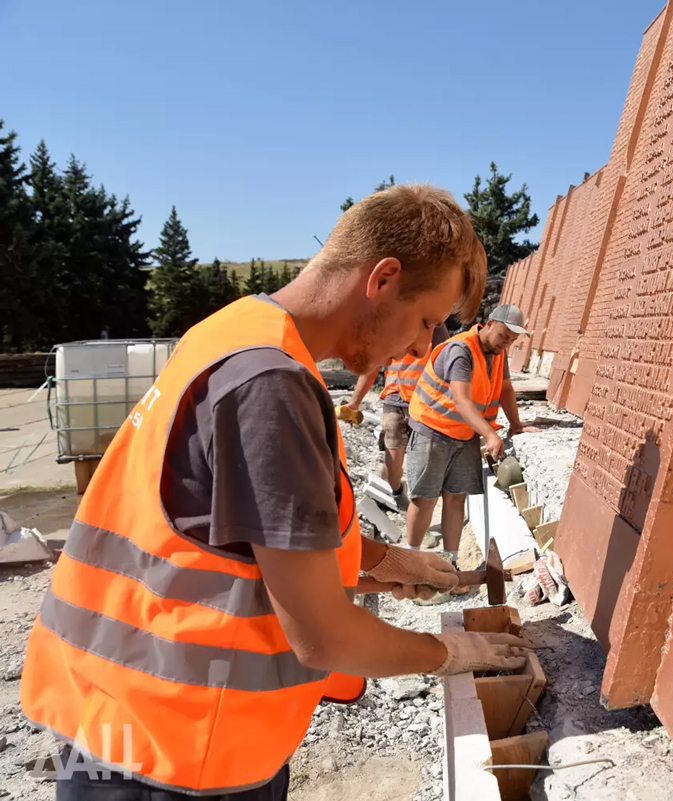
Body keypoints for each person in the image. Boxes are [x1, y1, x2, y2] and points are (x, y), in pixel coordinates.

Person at [19, 184, 533, 800]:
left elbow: (229, 538)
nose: (423, 346)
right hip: (178, 749)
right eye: (424, 320)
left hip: (118, 711)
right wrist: (450, 652)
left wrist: (385, 561)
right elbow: (322, 637)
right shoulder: (271, 384)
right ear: (384, 277)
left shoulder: (236, 331)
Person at [404, 304, 528, 583]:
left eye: (513, 339)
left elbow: (506, 388)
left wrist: (516, 425)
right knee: (425, 498)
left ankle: (449, 564)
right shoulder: (460, 350)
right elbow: (461, 400)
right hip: (433, 430)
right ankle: (410, 563)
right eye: (505, 335)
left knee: (456, 497)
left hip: (464, 434)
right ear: (490, 323)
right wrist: (490, 434)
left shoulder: (498, 353)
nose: (507, 342)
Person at [343, 320, 452, 509]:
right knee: (393, 459)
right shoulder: (394, 321)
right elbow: (373, 366)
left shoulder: (436, 326)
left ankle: (417, 511)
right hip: (395, 398)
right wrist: (355, 402)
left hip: (424, 402)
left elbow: (446, 363)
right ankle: (397, 491)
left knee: (422, 462)